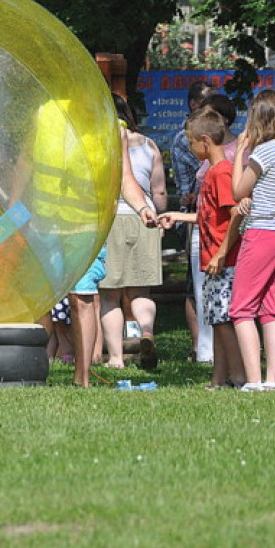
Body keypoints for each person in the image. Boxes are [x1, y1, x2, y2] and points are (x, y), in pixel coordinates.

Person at [158, 108, 246, 389]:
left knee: (224, 322)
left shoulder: (221, 174)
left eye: (191, 142)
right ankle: (219, 380)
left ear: (205, 141)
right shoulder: (210, 173)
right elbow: (209, 215)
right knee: (216, 321)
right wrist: (179, 216)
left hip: (224, 262)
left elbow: (235, 214)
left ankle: (240, 376)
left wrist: (221, 253)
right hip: (211, 261)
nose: (189, 147)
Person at [229, 90, 275, 391]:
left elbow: (237, 191)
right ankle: (273, 379)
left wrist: (240, 153)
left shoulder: (264, 152)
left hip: (263, 232)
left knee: (241, 309)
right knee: (271, 309)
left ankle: (253, 380)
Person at [99, 95, 167, 370]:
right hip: (144, 215)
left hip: (112, 217)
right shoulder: (149, 144)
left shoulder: (100, 139)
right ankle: (147, 332)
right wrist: (159, 215)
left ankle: (116, 358)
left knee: (110, 294)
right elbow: (159, 190)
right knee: (141, 291)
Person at [171, 80, 216, 363]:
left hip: (207, 213)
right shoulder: (187, 139)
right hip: (195, 216)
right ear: (193, 106)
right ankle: (200, 345)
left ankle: (212, 347)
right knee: (195, 284)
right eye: (208, 106)